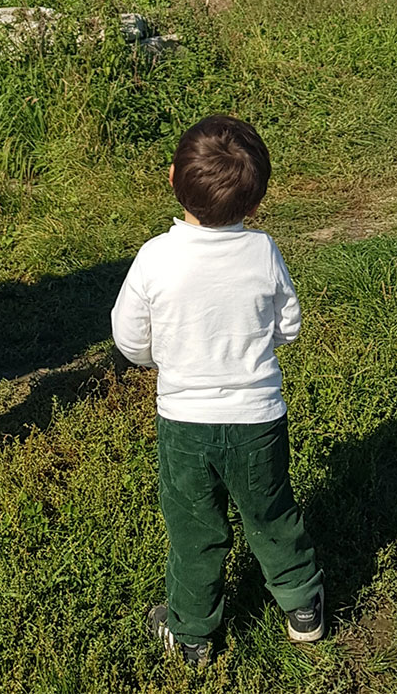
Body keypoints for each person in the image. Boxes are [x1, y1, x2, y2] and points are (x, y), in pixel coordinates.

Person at [111, 115, 323, 667]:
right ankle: (303, 606)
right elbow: (290, 326)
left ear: (172, 176)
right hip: (258, 418)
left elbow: (129, 338)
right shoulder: (262, 251)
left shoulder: (155, 257)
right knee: (272, 512)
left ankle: (192, 633)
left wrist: (163, 359)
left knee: (195, 529)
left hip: (185, 424)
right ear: (255, 204)